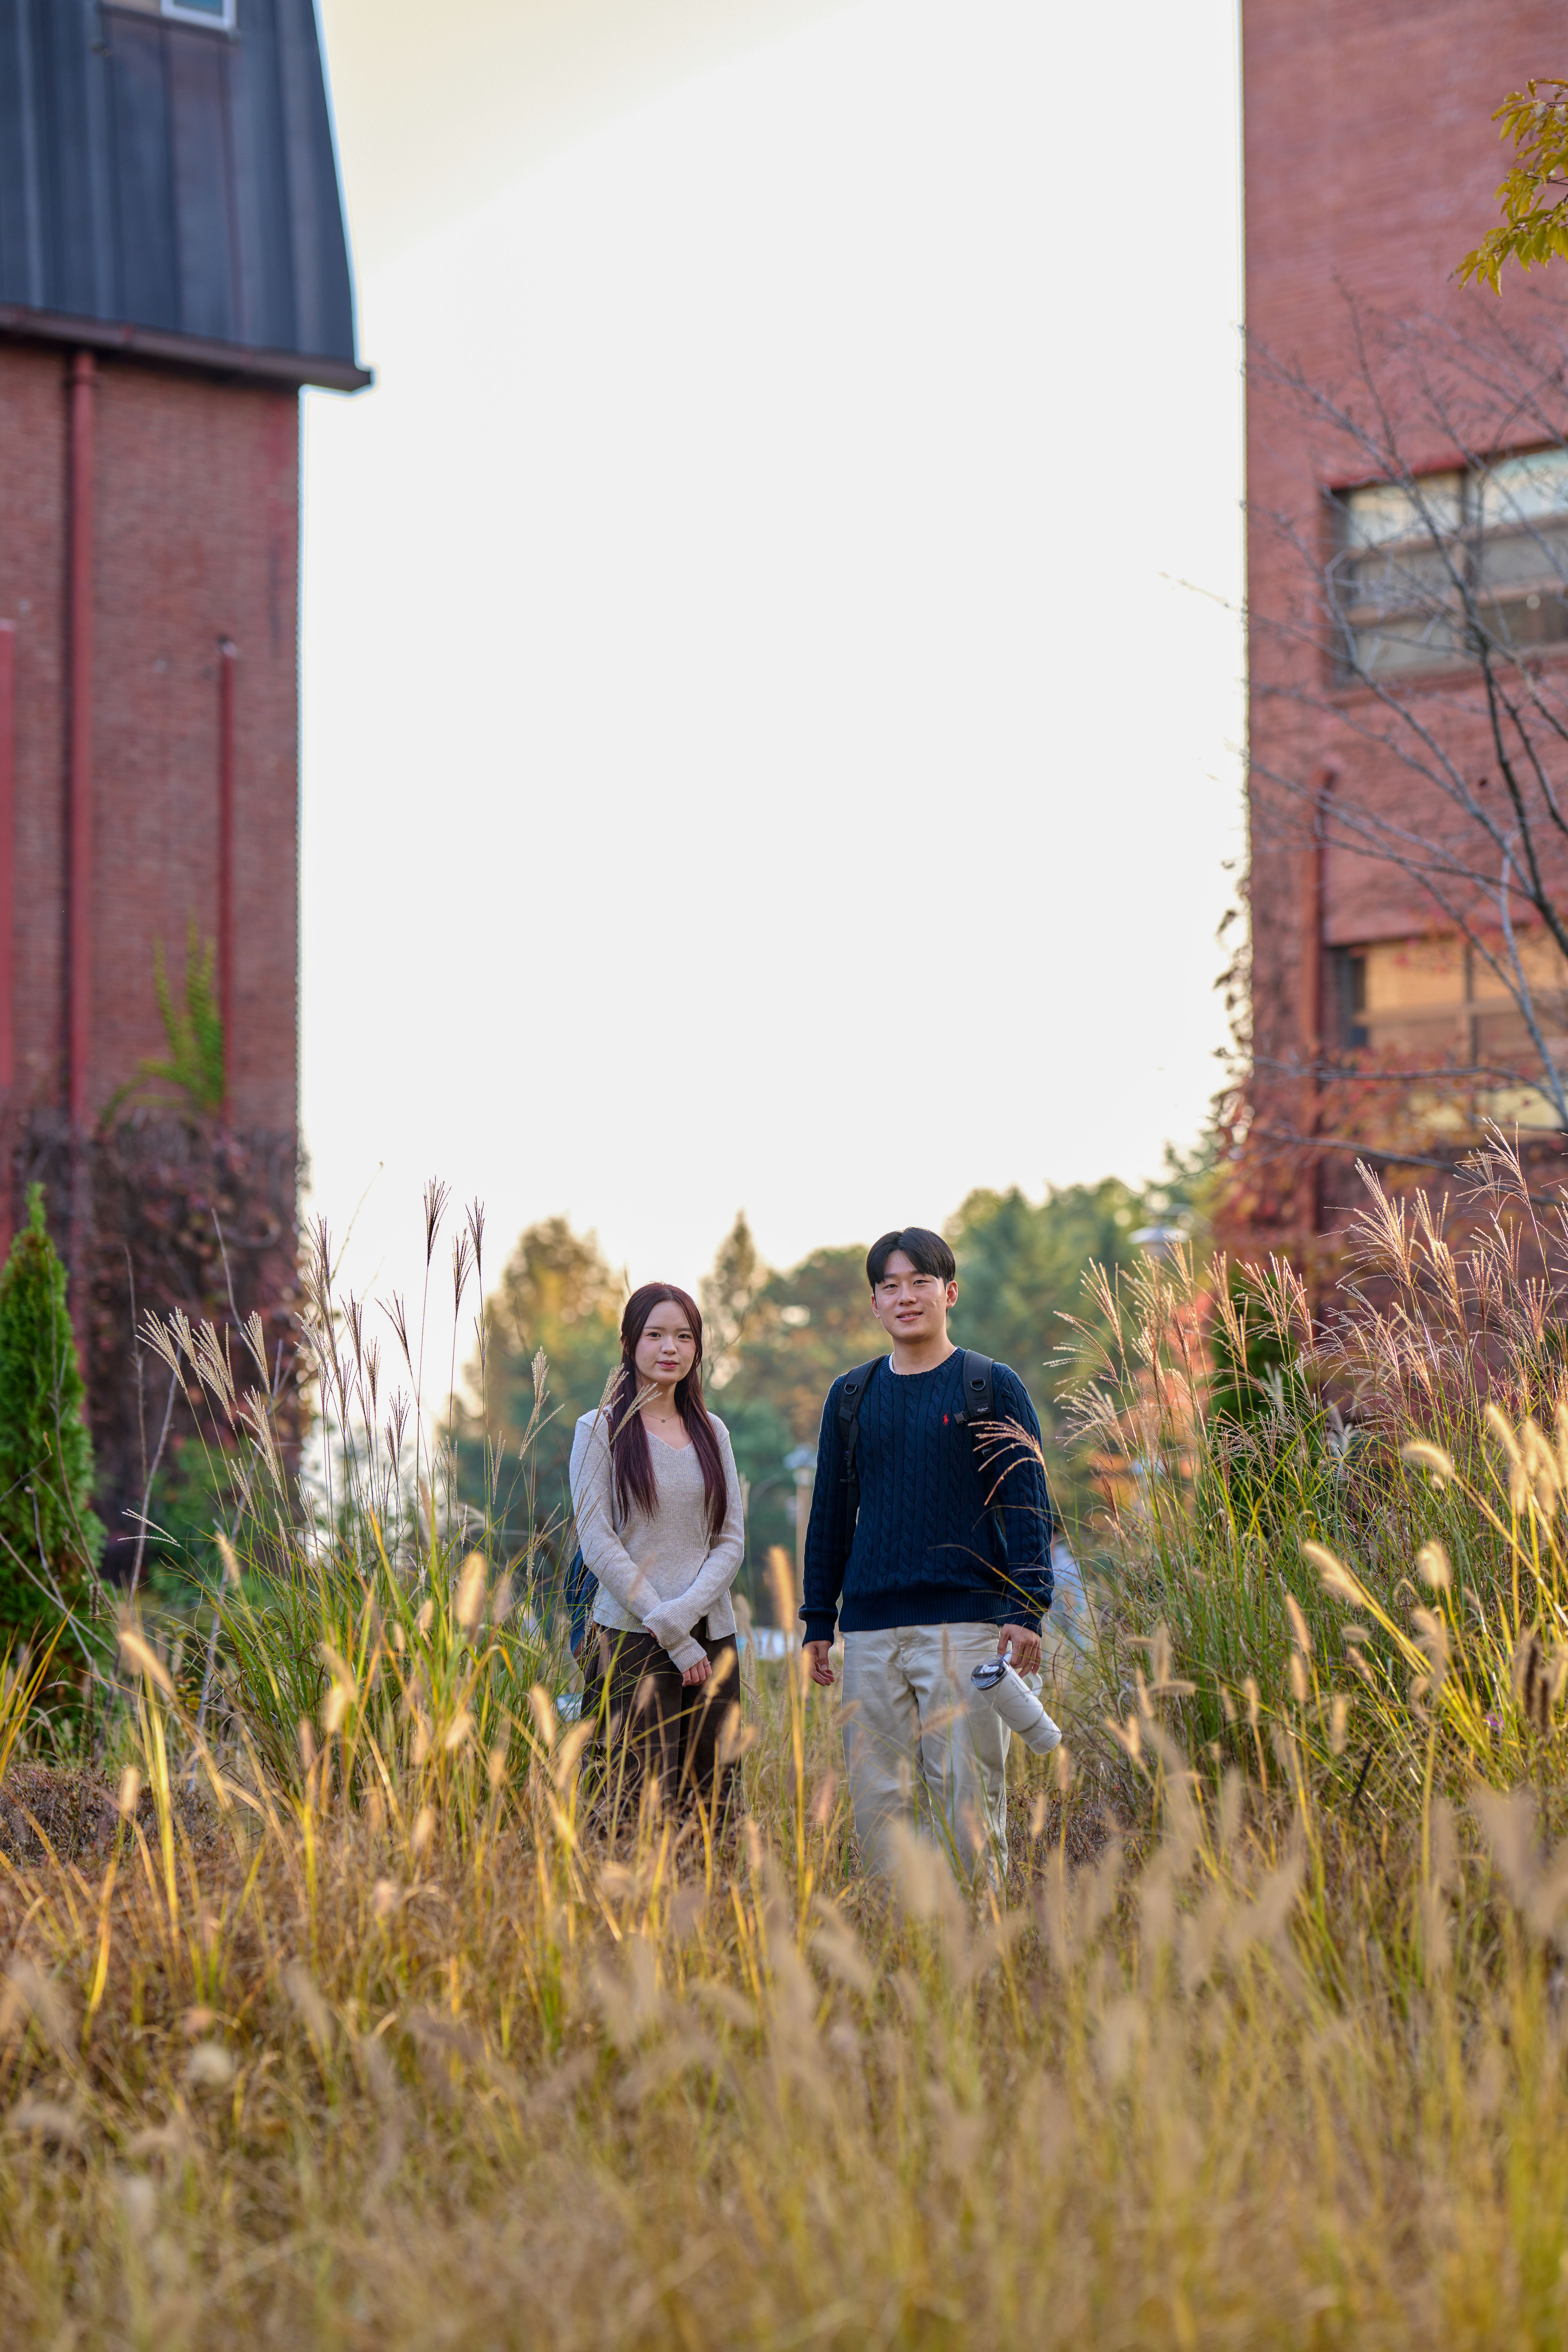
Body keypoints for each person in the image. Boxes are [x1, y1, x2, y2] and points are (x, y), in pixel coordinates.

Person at [800, 1227, 1055, 1883]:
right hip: (870, 1635)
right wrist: (817, 1622)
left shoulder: (989, 1386)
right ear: (874, 1304)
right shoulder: (850, 1398)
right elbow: (830, 1512)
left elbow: (1027, 1504)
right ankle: (898, 1955)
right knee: (877, 1805)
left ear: (949, 1292)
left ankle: (977, 1951)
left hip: (966, 1630)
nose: (905, 1297)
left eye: (919, 1282)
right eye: (889, 1286)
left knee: (967, 1800)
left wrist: (1026, 1610)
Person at [569, 1282, 745, 1826]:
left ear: (697, 1348)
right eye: (656, 1335)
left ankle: (710, 1910)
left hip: (711, 1638)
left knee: (711, 1805)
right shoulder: (599, 1429)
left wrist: (685, 1618)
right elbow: (597, 1540)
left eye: (684, 1336)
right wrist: (666, 1626)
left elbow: (730, 1540)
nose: (671, 1348)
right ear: (629, 1341)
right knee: (628, 1804)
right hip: (628, 1640)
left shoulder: (713, 1432)